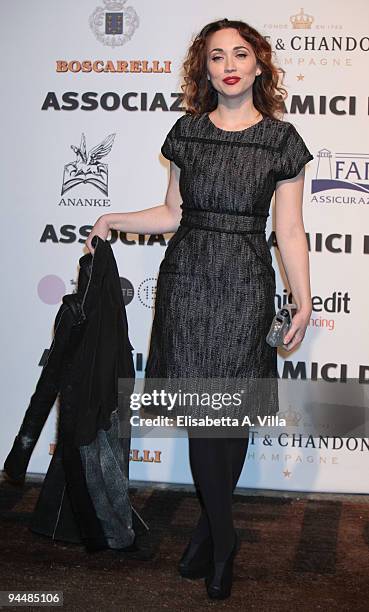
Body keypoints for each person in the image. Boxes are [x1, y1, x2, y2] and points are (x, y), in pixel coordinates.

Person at [86, 18, 314, 600]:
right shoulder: (186, 132)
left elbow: (289, 230)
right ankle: (219, 532)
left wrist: (303, 299)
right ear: (205, 68)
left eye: (241, 54)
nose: (229, 65)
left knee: (226, 416)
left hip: (243, 285)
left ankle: (217, 533)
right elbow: (171, 214)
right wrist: (114, 218)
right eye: (217, 56)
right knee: (201, 414)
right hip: (188, 281)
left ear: (259, 65)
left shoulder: (281, 141)